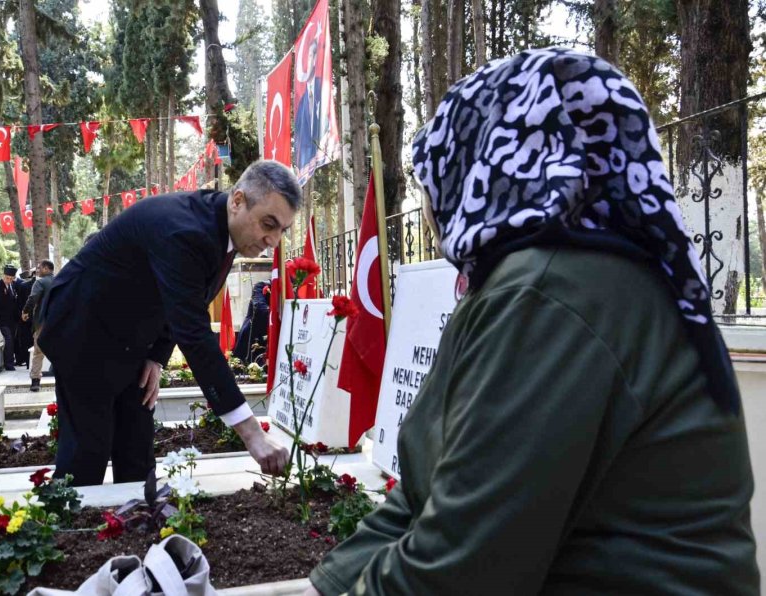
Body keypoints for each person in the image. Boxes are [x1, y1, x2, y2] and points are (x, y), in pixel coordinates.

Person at [306, 48, 758, 595]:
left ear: (484, 162)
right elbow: (418, 499)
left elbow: (461, 569)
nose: (429, 200)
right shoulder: (525, 281)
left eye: (433, 174)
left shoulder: (551, 292)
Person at [38, 160, 299, 486]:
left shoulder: (222, 227)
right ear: (237, 201)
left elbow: (179, 296)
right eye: (268, 224)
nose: (272, 240)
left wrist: (157, 356)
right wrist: (252, 434)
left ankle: (136, 529)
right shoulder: (187, 231)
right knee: (87, 455)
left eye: (281, 230)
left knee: (136, 451)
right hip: (82, 330)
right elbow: (194, 332)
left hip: (130, 336)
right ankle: (65, 530)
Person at [22, 259, 55, 392]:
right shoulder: (61, 280)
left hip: (42, 322)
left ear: (46, 268)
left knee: (38, 352)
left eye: (39, 268)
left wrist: (25, 311)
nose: (37, 270)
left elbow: (32, 298)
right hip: (59, 322)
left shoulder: (40, 282)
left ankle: (35, 381)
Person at [294, 37, 325, 173]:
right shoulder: (302, 103)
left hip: (323, 156)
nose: (311, 59)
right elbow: (300, 137)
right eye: (310, 55)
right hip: (308, 163)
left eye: (314, 55)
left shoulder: (324, 88)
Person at [232, 280, 269, 365]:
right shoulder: (260, 286)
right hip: (252, 336)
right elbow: (260, 308)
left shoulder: (288, 290)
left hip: (269, 338)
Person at [15, 269, 35, 367]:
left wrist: (22, 315)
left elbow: (19, 304)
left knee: (27, 341)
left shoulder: (23, 286)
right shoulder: (24, 286)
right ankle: (29, 362)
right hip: (30, 319)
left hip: (26, 318)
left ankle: (28, 363)